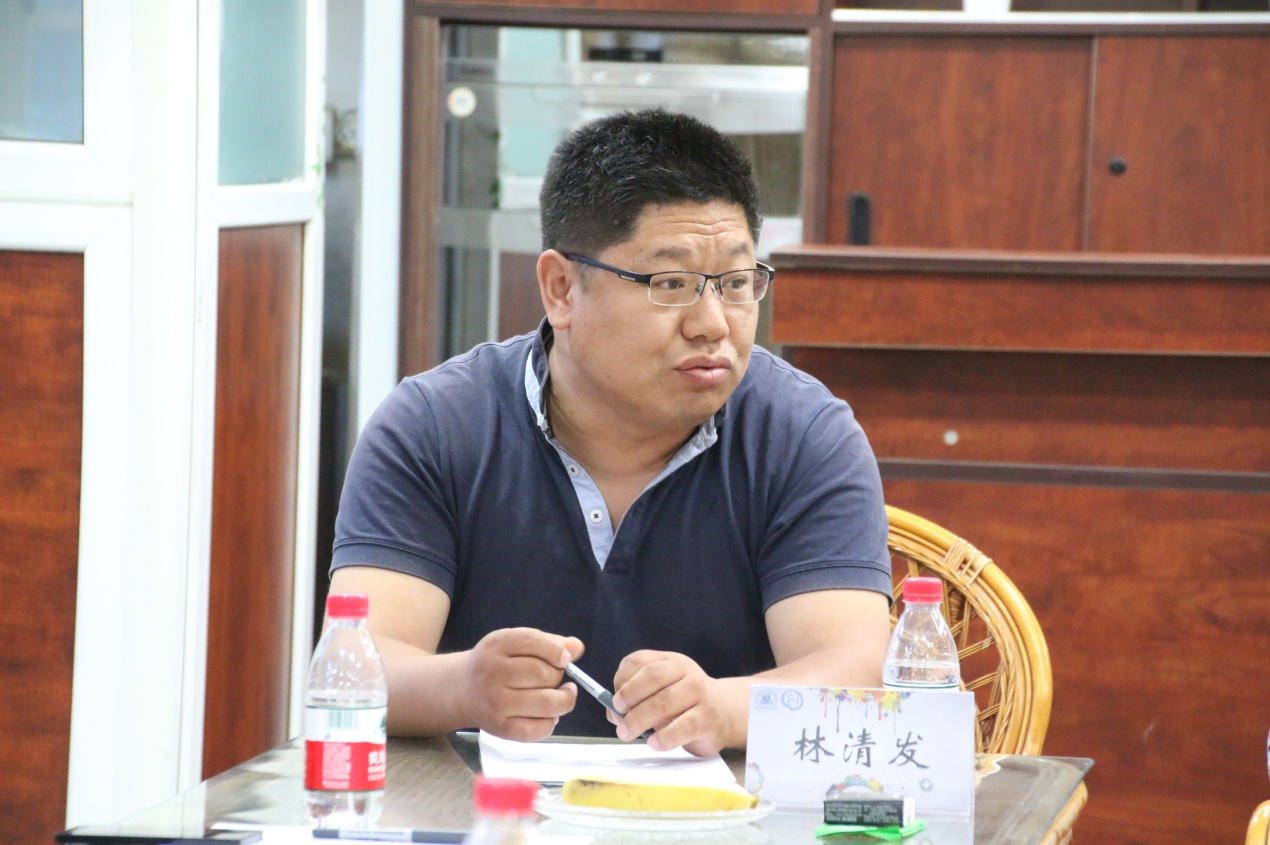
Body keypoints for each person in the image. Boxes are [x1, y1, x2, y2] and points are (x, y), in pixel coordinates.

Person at [329, 108, 892, 757]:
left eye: (737, 283)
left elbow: (854, 672)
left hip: (721, 807)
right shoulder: (436, 425)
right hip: (480, 807)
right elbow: (356, 665)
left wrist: (723, 708)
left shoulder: (803, 435)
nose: (713, 323)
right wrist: (463, 686)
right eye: (671, 284)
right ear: (561, 289)